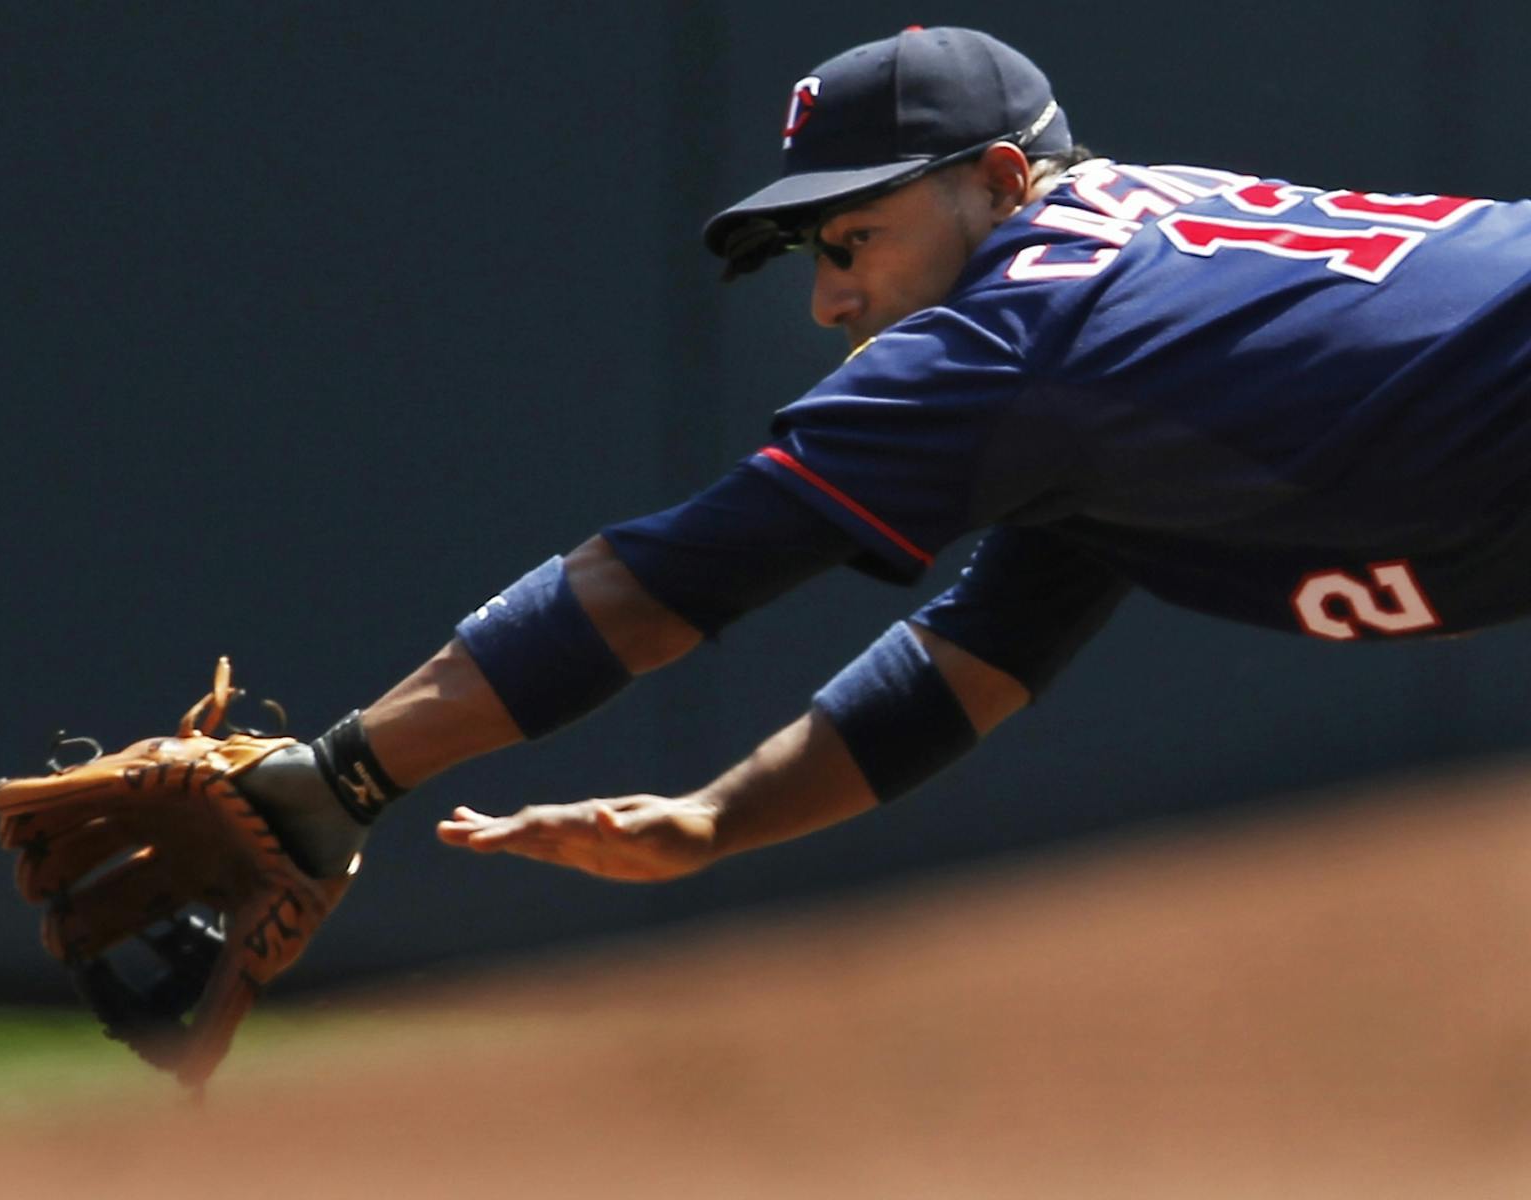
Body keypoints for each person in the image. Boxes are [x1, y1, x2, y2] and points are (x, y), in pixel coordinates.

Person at [230, 23, 1531, 890]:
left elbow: (663, 582)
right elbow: (980, 653)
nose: (829, 300)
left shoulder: (1012, 335)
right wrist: (717, 819)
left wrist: (343, 776)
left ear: (1003, 180)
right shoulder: (1119, 317)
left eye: (854, 240)